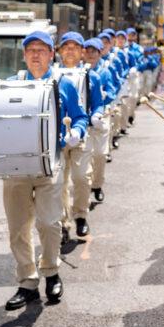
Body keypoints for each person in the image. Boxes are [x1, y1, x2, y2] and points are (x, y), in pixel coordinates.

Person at [0, 30, 89, 310]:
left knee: (49, 223)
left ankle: (52, 273)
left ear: (50, 54)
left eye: (42, 50)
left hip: (49, 165)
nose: (36, 55)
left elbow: (80, 117)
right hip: (15, 167)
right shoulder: (10, 86)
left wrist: (77, 133)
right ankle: (27, 282)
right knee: (18, 229)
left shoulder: (63, 83)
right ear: (23, 55)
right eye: (31, 50)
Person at [54, 32, 102, 240]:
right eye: (67, 46)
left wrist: (98, 114)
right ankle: (63, 223)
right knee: (59, 182)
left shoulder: (92, 75)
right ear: (59, 50)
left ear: (82, 51)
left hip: (82, 133)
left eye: (75, 46)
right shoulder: (52, 75)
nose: (70, 50)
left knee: (82, 177)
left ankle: (81, 215)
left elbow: (98, 102)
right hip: (57, 136)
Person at [82, 38, 112, 203]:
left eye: (94, 51)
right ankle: (84, 191)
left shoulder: (105, 71)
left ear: (100, 54)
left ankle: (97, 184)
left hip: (101, 115)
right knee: (85, 157)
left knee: (100, 155)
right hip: (84, 118)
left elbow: (112, 89)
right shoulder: (79, 71)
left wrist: (105, 97)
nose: (91, 54)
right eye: (88, 50)